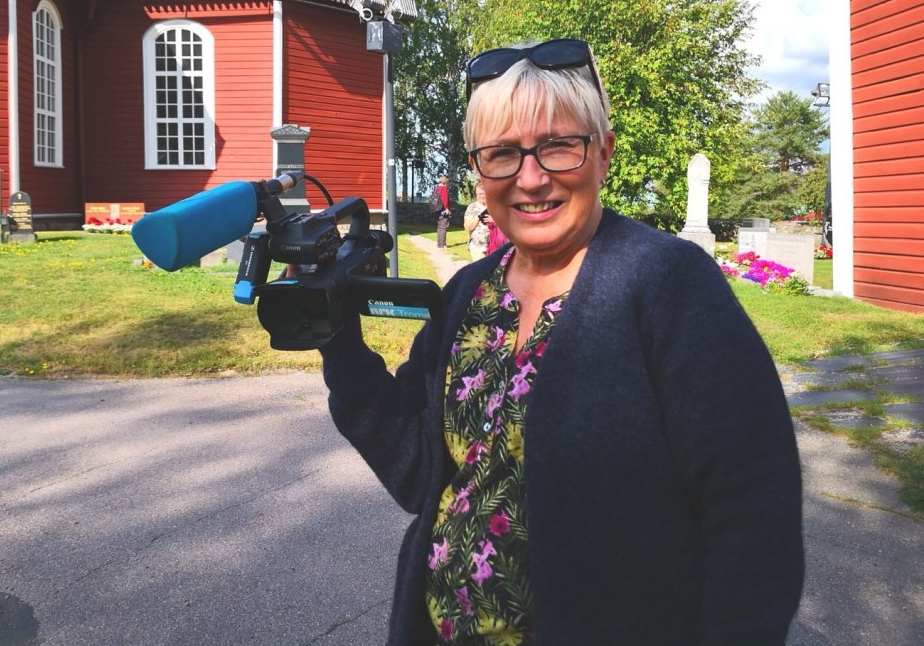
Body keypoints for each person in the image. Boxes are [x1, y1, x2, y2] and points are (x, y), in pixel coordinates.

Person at [319, 38, 804, 645]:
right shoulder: (469, 292)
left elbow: (754, 514)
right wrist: (337, 342)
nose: (530, 178)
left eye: (558, 146)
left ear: (603, 152)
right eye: (502, 153)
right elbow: (420, 471)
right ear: (477, 171)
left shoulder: (667, 284)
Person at [462, 181, 493, 261]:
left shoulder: (495, 206)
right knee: (482, 268)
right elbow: (467, 227)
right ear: (476, 195)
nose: (482, 196)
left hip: (494, 246)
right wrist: (479, 216)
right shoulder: (472, 207)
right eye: (480, 194)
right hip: (477, 247)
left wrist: (494, 221)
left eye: (484, 193)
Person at [433, 175, 451, 248]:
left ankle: (439, 243)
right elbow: (445, 200)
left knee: (440, 227)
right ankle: (442, 244)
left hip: (437, 209)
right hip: (443, 209)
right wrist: (447, 208)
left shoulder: (436, 188)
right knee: (443, 227)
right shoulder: (443, 189)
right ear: (446, 182)